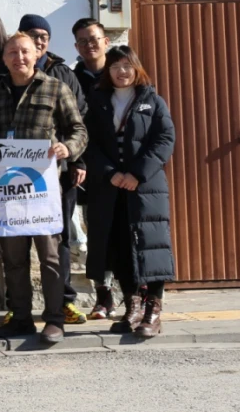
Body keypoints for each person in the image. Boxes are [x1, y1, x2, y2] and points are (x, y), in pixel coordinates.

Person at [0, 33, 87, 344]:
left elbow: (78, 128)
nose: (19, 58)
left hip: (43, 191)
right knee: (12, 258)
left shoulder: (55, 87)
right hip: (7, 190)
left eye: (24, 51)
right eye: (12, 52)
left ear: (38, 53)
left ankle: (54, 320)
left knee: (50, 257)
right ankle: (21, 318)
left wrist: (68, 148)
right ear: (4, 58)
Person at [84, 46, 175, 338]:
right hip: (110, 188)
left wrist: (136, 174)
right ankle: (132, 306)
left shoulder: (152, 100)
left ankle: (153, 311)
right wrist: (111, 174)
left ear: (136, 68)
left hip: (146, 187)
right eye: (115, 67)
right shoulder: (96, 101)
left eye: (127, 66)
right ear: (107, 72)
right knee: (120, 247)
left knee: (152, 246)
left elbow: (165, 139)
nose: (122, 72)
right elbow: (89, 142)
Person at [17, 14, 89, 327]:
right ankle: (18, 312)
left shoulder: (61, 76)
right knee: (15, 249)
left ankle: (60, 308)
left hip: (55, 176)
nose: (39, 40)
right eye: (33, 34)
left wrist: (74, 157)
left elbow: (79, 123)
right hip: (12, 180)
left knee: (55, 245)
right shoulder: (2, 79)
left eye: (44, 35)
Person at [70, 18, 114, 319]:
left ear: (106, 41)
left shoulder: (123, 71)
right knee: (96, 233)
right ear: (76, 46)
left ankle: (138, 296)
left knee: (125, 231)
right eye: (83, 41)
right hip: (89, 166)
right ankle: (104, 295)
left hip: (122, 165)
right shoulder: (74, 78)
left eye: (94, 38)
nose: (90, 44)